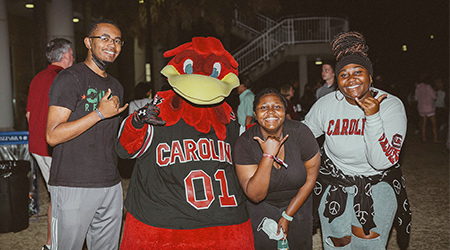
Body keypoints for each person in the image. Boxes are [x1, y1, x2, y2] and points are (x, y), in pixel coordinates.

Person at [117, 36, 254, 249]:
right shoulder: (159, 111)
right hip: (167, 222)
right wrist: (136, 121)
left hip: (218, 221)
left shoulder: (228, 117)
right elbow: (125, 149)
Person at [303, 31, 411, 249]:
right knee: (336, 244)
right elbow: (302, 137)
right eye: (343, 74)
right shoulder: (326, 105)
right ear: (337, 81)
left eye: (357, 72)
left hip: (377, 183)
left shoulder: (391, 105)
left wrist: (372, 117)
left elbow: (382, 162)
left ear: (370, 77)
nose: (350, 79)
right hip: (335, 184)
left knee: (366, 245)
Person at [46, 19, 128, 250]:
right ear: (88, 43)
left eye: (117, 40)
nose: (112, 44)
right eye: (104, 38)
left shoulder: (117, 86)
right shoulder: (70, 78)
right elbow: (52, 135)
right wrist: (99, 114)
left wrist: (139, 123)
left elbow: (112, 137)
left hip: (110, 184)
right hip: (73, 184)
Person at [234, 88, 320, 250]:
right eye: (263, 107)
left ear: (285, 110)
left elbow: (311, 177)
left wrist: (288, 216)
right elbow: (255, 195)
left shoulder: (301, 133)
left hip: (298, 201)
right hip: (262, 207)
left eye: (277, 107)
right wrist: (268, 156)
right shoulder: (244, 142)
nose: (271, 112)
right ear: (254, 113)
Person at [26, 38, 74, 250]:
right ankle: (52, 245)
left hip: (38, 145)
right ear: (65, 56)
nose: (73, 57)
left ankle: (53, 243)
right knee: (63, 198)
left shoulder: (37, 78)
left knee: (59, 195)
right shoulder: (65, 77)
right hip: (53, 147)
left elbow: (28, 115)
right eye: (72, 54)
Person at [415, 73, 440, 143]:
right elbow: (434, 96)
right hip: (429, 108)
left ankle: (424, 138)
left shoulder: (418, 88)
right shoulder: (428, 87)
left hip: (421, 108)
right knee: (434, 124)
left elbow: (416, 98)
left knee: (423, 123)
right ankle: (435, 139)